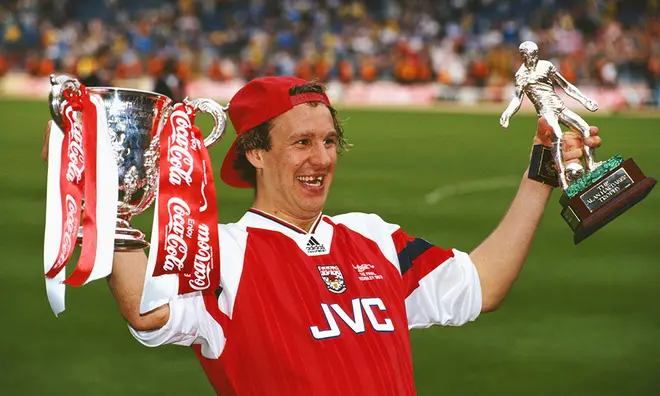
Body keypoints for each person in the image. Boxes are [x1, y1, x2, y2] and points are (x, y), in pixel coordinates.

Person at [42, 76, 602, 395]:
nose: (321, 158)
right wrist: (103, 200)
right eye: (301, 143)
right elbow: (148, 309)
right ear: (256, 153)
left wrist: (540, 172)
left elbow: (482, 284)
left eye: (329, 141)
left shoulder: (375, 238)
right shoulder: (225, 252)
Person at [500, 41, 600, 189]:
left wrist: (585, 100)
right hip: (546, 111)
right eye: (530, 55)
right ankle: (562, 178)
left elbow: (565, 85)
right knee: (558, 136)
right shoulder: (521, 75)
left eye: (535, 53)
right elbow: (517, 98)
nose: (534, 57)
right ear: (523, 56)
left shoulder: (546, 65)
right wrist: (507, 113)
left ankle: (591, 167)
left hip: (559, 106)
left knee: (585, 129)